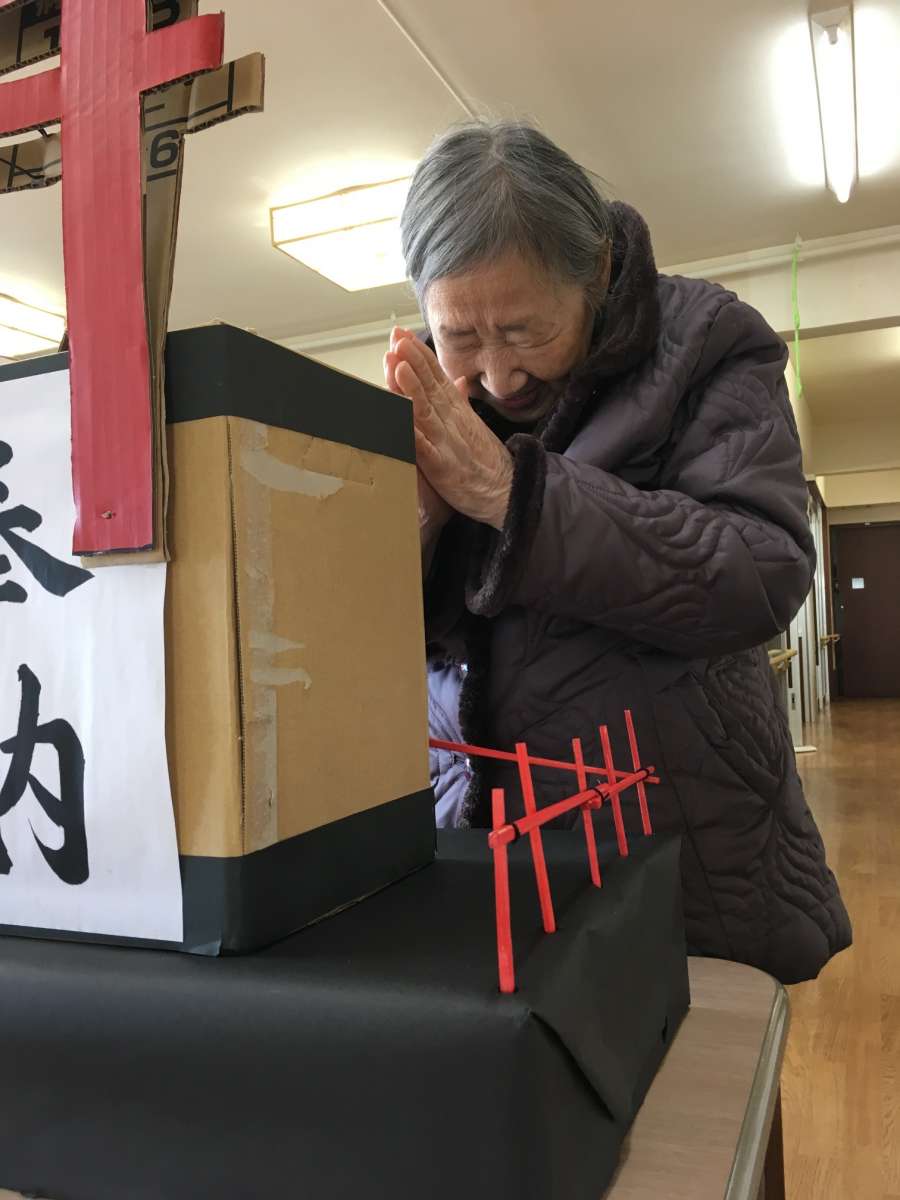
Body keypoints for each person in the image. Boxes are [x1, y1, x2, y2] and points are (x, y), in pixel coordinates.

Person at [383, 120, 851, 985]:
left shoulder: (707, 342)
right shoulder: (433, 402)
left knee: (697, 1062)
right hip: (480, 857)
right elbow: (385, 651)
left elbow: (760, 569)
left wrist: (512, 494)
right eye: (461, 337)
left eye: (525, 331)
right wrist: (416, 526)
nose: (498, 377)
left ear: (596, 271)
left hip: (680, 843)